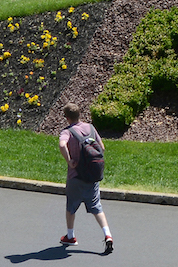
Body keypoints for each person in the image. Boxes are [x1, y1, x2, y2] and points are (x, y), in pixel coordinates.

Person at [58, 104, 113, 253]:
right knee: (97, 207)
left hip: (75, 176)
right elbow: (102, 147)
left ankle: (70, 237)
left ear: (67, 118)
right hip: (92, 176)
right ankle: (107, 234)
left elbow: (62, 145)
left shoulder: (67, 132)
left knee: (71, 207)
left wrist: (70, 160)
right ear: (79, 114)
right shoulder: (90, 128)